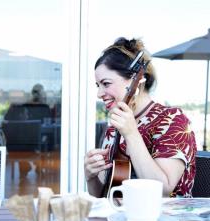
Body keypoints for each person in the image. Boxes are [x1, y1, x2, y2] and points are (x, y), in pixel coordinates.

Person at [84, 37, 197, 198]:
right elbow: (105, 193)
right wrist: (91, 178)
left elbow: (163, 190)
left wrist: (131, 134)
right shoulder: (114, 126)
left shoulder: (172, 120)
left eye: (106, 83)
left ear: (135, 80)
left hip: (169, 220)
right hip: (121, 218)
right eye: (98, 85)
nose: (99, 94)